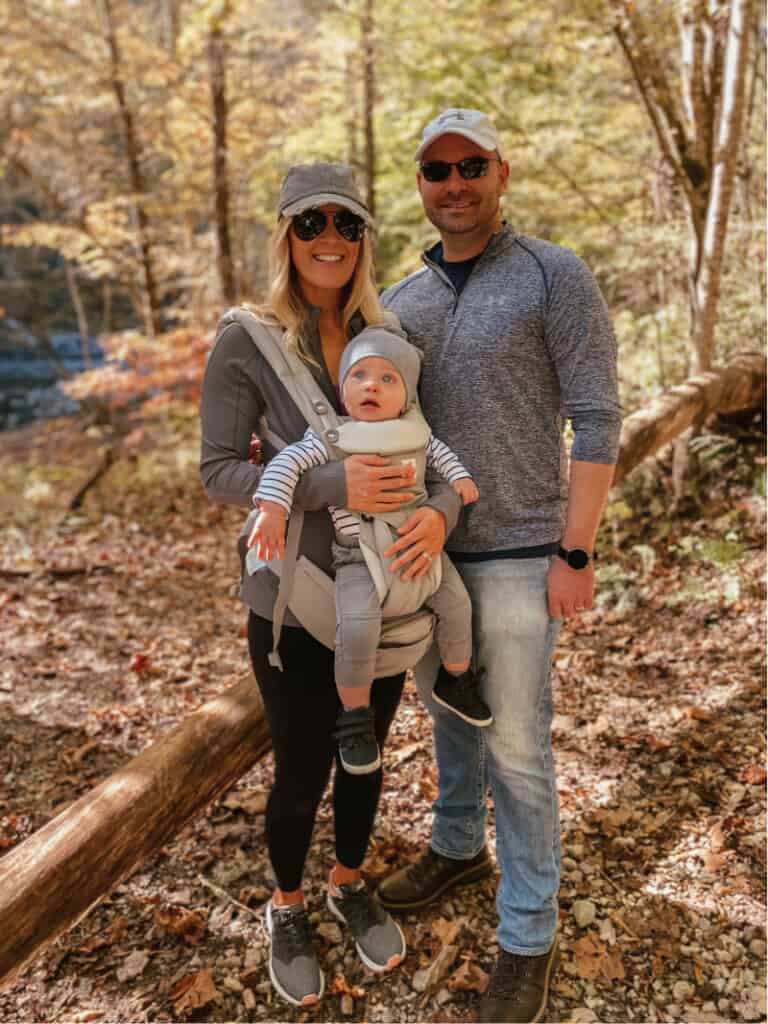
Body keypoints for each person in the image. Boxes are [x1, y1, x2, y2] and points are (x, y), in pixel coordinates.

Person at [375, 108, 622, 1023]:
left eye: (471, 165)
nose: (456, 184)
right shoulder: (401, 299)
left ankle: (527, 935)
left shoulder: (553, 275)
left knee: (517, 747)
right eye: (438, 171)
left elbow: (597, 416)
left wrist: (577, 548)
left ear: (502, 172)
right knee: (452, 719)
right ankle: (454, 846)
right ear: (421, 186)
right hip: (431, 556)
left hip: (524, 550)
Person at [199, 162, 461, 1008]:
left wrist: (443, 518)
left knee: (367, 755)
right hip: (293, 598)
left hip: (390, 587)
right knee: (302, 767)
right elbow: (215, 471)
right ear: (286, 235)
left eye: (347, 225)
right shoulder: (249, 338)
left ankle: (349, 882)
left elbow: (429, 456)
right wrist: (324, 487)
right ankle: (287, 905)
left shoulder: (390, 335)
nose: (330, 240)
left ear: (364, 239)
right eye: (311, 223)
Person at [248, 325, 492, 775]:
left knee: (458, 604)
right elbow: (286, 464)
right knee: (357, 628)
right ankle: (356, 718)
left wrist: (459, 482)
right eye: (359, 376)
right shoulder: (332, 436)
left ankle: (456, 677)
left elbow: (443, 458)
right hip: (357, 554)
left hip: (419, 549)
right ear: (343, 393)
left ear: (406, 397)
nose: (371, 386)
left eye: (387, 379)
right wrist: (273, 510)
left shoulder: (416, 434)